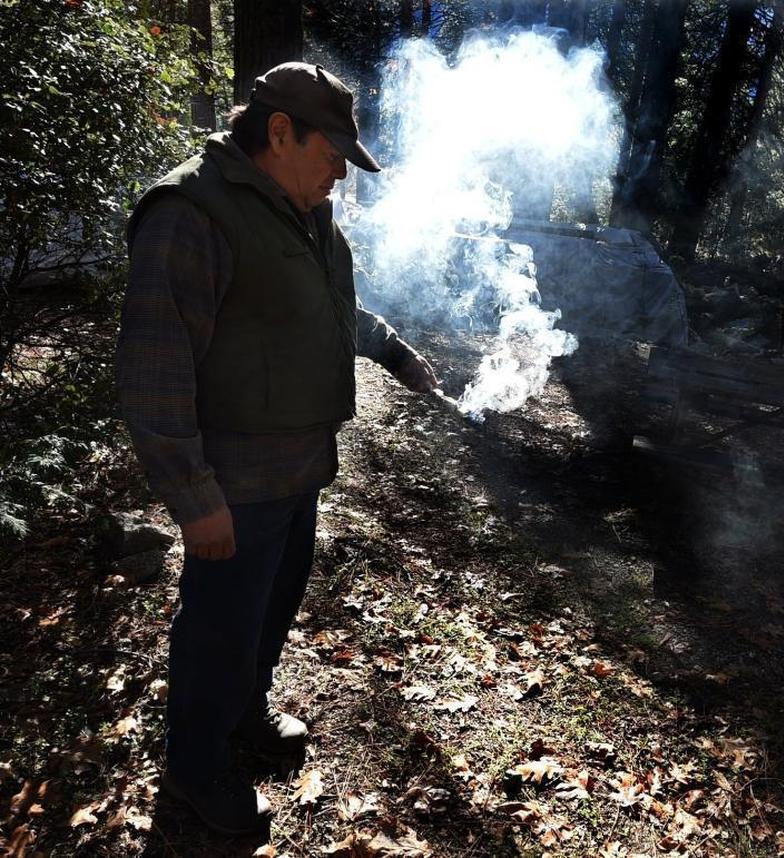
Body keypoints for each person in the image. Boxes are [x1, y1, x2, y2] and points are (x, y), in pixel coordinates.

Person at [115, 62, 438, 836]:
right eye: (333, 156)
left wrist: (392, 351)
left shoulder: (305, 211)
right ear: (281, 132)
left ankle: (244, 719)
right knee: (216, 630)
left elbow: (326, 310)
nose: (340, 175)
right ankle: (195, 775)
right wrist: (194, 501)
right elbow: (154, 371)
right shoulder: (191, 211)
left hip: (298, 471)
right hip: (234, 483)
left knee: (264, 618)